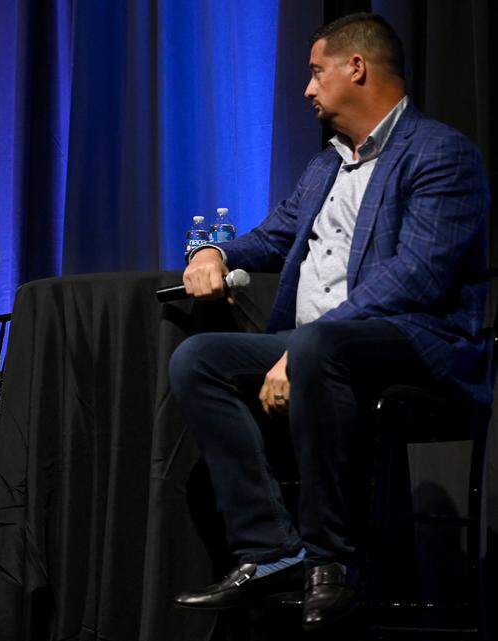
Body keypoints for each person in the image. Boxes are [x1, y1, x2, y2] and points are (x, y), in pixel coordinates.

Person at [167, 13, 490, 630]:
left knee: (321, 347)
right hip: (322, 345)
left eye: (316, 72)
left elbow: (416, 279)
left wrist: (310, 344)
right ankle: (270, 551)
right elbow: (272, 236)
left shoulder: (440, 154)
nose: (308, 89)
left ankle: (331, 562)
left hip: (419, 344)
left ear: (356, 68)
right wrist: (213, 253)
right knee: (197, 358)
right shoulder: (327, 166)